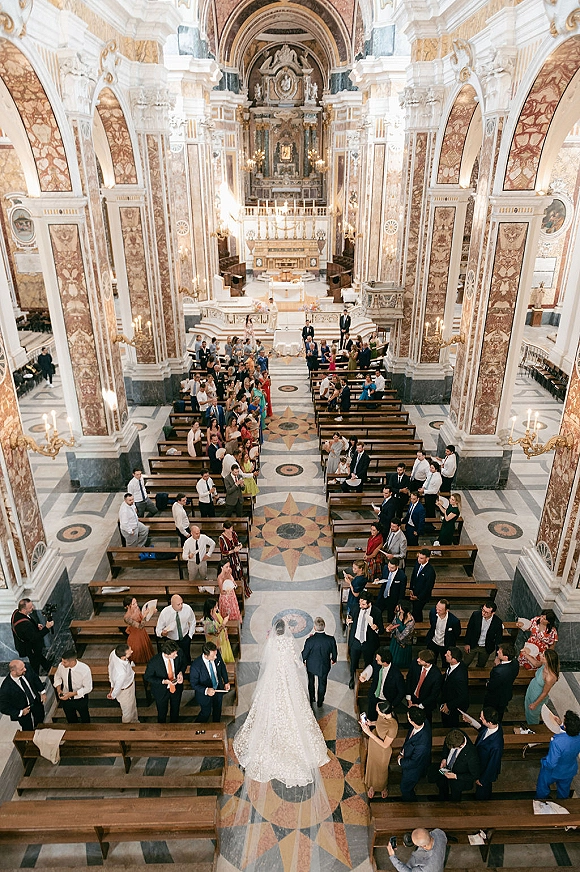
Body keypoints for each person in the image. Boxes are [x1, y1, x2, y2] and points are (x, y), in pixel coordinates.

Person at [233, 619, 329, 786]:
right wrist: (300, 665)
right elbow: (296, 660)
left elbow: (265, 662)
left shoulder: (272, 643)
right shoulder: (288, 642)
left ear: (274, 631)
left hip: (274, 679)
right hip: (288, 678)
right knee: (294, 704)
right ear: (285, 630)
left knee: (270, 705)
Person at [536, 709, 580, 800]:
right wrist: (561, 725)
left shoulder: (557, 742)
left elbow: (551, 763)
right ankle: (562, 805)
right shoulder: (578, 735)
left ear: (566, 726)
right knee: (564, 791)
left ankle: (541, 801)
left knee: (542, 787)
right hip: (569, 769)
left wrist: (543, 762)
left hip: (553, 771)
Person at [144, 639, 188, 724]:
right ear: (166, 654)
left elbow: (184, 663)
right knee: (162, 712)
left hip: (176, 688)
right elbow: (148, 677)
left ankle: (174, 726)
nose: (176, 655)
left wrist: (181, 673)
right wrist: (163, 681)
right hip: (161, 690)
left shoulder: (179, 653)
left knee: (175, 709)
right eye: (174, 654)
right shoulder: (154, 662)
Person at [361, 700, 398, 799]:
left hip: (382, 751)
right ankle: (372, 786)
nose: (377, 712)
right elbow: (380, 723)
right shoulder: (383, 716)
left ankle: (382, 787)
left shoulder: (393, 726)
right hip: (374, 744)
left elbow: (385, 745)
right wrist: (371, 723)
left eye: (378, 711)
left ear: (384, 713)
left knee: (381, 770)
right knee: (372, 766)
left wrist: (368, 733)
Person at [347, 592, 384, 688]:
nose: (360, 605)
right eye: (360, 603)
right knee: (353, 662)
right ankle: (352, 678)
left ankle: (365, 679)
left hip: (369, 643)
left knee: (368, 663)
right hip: (356, 640)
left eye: (363, 604)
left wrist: (376, 628)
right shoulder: (355, 608)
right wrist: (348, 621)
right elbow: (350, 617)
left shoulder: (376, 612)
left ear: (369, 603)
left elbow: (381, 630)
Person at [10, 598, 54, 676]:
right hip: (30, 647)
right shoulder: (25, 625)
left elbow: (27, 623)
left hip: (27, 643)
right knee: (35, 664)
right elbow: (35, 638)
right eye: (30, 608)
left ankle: (47, 666)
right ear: (23, 609)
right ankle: (35, 681)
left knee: (39, 656)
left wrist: (35, 626)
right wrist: (46, 628)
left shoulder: (16, 613)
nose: (32, 608)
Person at [468, 706, 504, 800]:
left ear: (490, 722)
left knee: (483, 791)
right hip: (480, 762)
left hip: (485, 769)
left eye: (482, 718)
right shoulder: (494, 726)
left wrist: (483, 780)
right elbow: (483, 729)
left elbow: (493, 764)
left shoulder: (496, 745)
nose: (480, 719)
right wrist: (471, 722)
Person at [397, 707, 432, 802]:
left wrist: (400, 761)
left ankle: (409, 802)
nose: (407, 717)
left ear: (412, 721)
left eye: (408, 717)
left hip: (414, 769)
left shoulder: (422, 744)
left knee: (405, 787)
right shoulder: (423, 721)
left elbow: (414, 762)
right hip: (412, 755)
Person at [190, 641, 230, 723]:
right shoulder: (196, 666)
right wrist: (206, 690)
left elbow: (222, 667)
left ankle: (216, 726)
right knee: (206, 713)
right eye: (213, 656)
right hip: (204, 694)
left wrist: (226, 681)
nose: (216, 657)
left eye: (216, 654)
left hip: (218, 689)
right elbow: (194, 684)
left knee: (217, 710)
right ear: (205, 655)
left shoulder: (216, 653)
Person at [301, 617, 338, 707]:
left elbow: (305, 653)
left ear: (314, 628)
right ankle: (320, 701)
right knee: (322, 683)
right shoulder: (330, 639)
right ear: (324, 626)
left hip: (311, 665)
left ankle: (312, 697)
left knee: (311, 681)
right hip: (324, 666)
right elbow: (334, 652)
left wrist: (303, 661)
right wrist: (333, 659)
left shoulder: (310, 640)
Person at [0, 659, 46, 730]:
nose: (25, 669)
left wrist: (42, 692)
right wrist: (20, 712)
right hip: (22, 709)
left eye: (24, 667)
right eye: (21, 669)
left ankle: (39, 730)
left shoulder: (26, 668)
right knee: (27, 728)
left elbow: (35, 678)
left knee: (40, 718)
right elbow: (2, 707)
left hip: (35, 701)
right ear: (13, 671)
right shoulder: (6, 688)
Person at [364, 647, 406, 722]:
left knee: (382, 721)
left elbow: (401, 692)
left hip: (386, 700)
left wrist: (393, 705)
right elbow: (371, 666)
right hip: (374, 696)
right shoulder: (377, 664)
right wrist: (364, 674)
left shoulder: (396, 674)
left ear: (385, 662)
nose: (376, 660)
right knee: (371, 716)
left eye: (378, 659)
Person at [436, 728, 479, 801]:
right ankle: (442, 798)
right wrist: (444, 758)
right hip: (446, 768)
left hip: (458, 780)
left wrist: (456, 776)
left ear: (461, 745)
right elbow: (446, 747)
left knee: (455, 797)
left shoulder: (472, 755)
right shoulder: (454, 734)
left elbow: (474, 775)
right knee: (442, 784)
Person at [53, 650, 93, 723]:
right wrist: (59, 690)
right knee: (71, 719)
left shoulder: (84, 669)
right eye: (62, 661)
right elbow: (57, 677)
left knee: (85, 718)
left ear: (72, 662)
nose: (62, 663)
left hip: (80, 698)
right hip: (66, 698)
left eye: (65, 662)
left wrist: (73, 694)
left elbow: (88, 688)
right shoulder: (61, 666)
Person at [483, 642, 520, 722]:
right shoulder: (515, 663)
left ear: (505, 657)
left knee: (490, 711)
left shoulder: (499, 671)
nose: (497, 652)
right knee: (500, 711)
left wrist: (497, 666)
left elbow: (492, 685)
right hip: (506, 693)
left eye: (499, 652)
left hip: (495, 696)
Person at [463, 601, 504, 668]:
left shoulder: (497, 622)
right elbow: (469, 629)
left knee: (481, 665)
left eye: (486, 612)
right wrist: (467, 643)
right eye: (483, 610)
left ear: (493, 613)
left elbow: (498, 639)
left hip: (486, 647)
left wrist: (497, 656)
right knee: (466, 662)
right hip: (473, 644)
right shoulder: (476, 615)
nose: (483, 613)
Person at [525, 649, 560, 725]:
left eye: (543, 655)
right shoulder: (544, 664)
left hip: (537, 695)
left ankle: (533, 728)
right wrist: (526, 655)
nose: (540, 655)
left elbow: (544, 693)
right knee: (527, 706)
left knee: (533, 715)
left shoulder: (550, 677)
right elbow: (536, 664)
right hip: (532, 688)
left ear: (547, 660)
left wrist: (535, 704)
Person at [156, 595, 196, 661]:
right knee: (172, 659)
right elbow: (158, 629)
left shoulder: (187, 609)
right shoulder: (165, 613)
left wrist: (190, 635)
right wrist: (162, 633)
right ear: (172, 604)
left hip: (184, 637)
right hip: (171, 640)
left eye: (182, 603)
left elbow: (192, 621)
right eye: (178, 604)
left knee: (186, 658)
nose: (181, 606)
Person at [405, 649, 442, 720]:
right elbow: (409, 679)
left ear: (427, 663)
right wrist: (409, 698)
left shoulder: (436, 675)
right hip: (412, 699)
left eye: (421, 660)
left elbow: (434, 694)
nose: (418, 660)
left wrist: (420, 705)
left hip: (425, 704)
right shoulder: (415, 664)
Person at [107, 643, 138, 723]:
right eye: (129, 651)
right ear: (123, 657)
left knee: (133, 705)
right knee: (127, 712)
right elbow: (118, 686)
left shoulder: (114, 653)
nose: (132, 651)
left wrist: (111, 685)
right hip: (125, 691)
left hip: (129, 683)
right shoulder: (121, 673)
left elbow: (110, 668)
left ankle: (135, 720)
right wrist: (113, 694)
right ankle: (127, 728)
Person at [220, 521, 251, 598]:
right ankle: (234, 593)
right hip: (228, 560)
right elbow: (223, 552)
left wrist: (239, 547)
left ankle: (243, 590)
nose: (230, 530)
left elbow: (238, 544)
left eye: (231, 528)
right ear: (224, 528)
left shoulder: (234, 534)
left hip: (236, 558)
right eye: (228, 529)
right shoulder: (222, 538)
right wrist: (233, 551)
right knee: (231, 574)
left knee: (240, 573)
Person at [440, 647, 469, 727]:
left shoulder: (459, 676)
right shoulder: (455, 665)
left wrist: (448, 705)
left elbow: (463, 695)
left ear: (454, 659)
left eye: (448, 655)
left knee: (450, 724)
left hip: (453, 705)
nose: (445, 655)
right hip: (447, 698)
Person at [426, 599, 461, 666]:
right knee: (431, 662)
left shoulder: (454, 621)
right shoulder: (433, 613)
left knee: (445, 664)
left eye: (440, 610)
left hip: (446, 646)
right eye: (437, 608)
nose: (437, 611)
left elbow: (457, 634)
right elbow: (432, 625)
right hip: (433, 642)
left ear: (447, 610)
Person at [122, 596, 155, 663]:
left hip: (142, 633)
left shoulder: (137, 609)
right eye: (133, 604)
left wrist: (151, 612)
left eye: (136, 602)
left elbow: (143, 618)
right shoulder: (127, 617)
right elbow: (140, 626)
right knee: (138, 653)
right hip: (136, 636)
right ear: (128, 606)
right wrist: (145, 615)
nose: (136, 605)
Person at [375, 557, 407, 622]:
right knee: (377, 612)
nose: (389, 569)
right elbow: (383, 577)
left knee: (390, 616)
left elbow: (402, 592)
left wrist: (399, 604)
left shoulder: (402, 576)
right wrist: (378, 579)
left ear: (397, 566)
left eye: (392, 568)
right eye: (389, 566)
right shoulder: (385, 568)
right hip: (383, 595)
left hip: (393, 599)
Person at [203, 598, 234, 663]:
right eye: (215, 607)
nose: (217, 608)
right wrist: (224, 623)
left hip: (223, 639)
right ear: (211, 609)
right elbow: (216, 633)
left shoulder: (216, 613)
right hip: (216, 643)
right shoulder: (207, 622)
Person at [386, 600, 415, 669]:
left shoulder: (411, 621)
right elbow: (393, 623)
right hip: (395, 641)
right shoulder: (398, 614)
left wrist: (395, 630)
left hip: (403, 644)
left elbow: (404, 635)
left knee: (400, 660)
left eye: (400, 606)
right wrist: (389, 628)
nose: (398, 607)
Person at [409, 549, 436, 622]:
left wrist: (418, 597)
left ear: (427, 559)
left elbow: (428, 587)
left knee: (417, 611)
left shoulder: (430, 571)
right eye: (418, 557)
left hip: (422, 596)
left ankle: (418, 624)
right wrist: (411, 589)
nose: (419, 559)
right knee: (416, 610)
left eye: (421, 558)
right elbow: (413, 576)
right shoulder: (417, 564)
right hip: (414, 592)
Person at [418, 462, 442, 527]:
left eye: (432, 468)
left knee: (430, 509)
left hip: (432, 496)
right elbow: (427, 481)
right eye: (430, 467)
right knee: (427, 507)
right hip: (427, 493)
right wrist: (423, 487)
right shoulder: (431, 473)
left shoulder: (438, 478)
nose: (430, 469)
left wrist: (424, 491)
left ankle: (431, 523)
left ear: (436, 469)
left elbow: (434, 491)